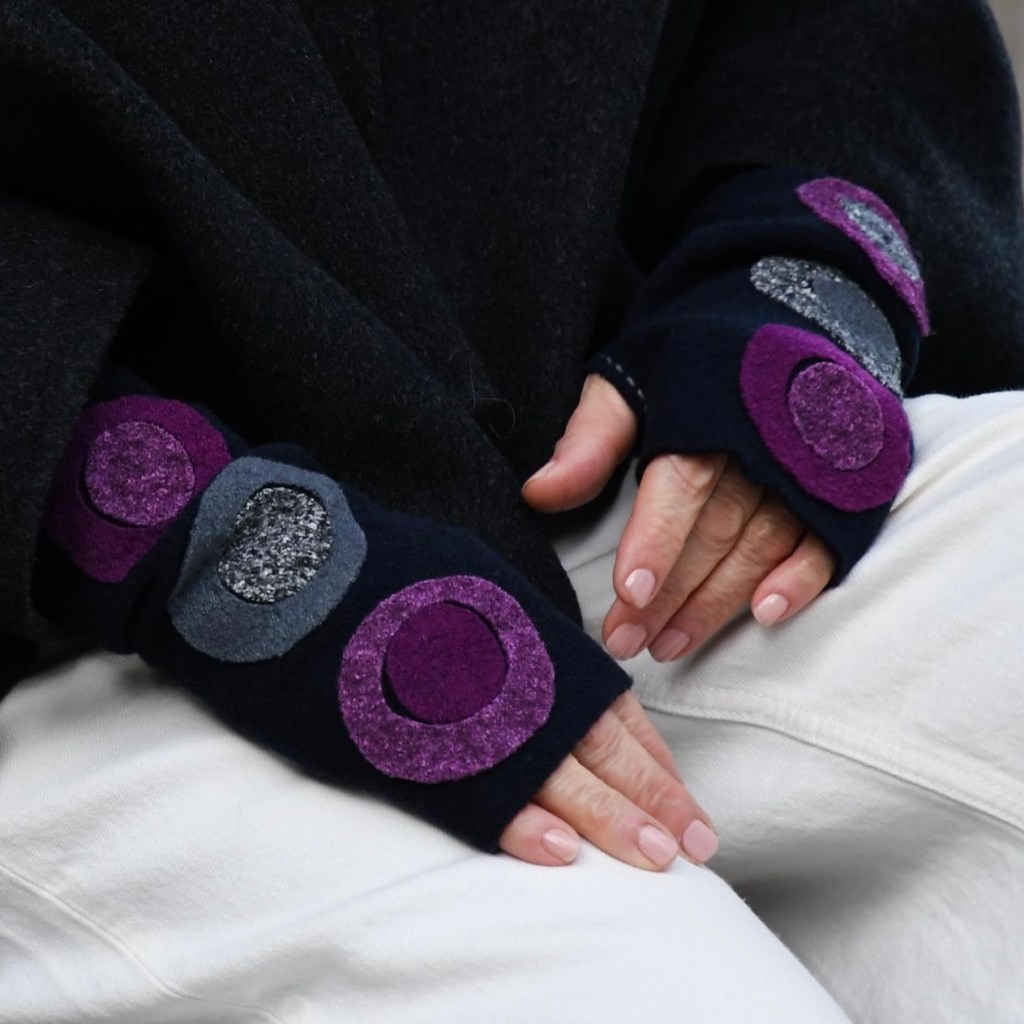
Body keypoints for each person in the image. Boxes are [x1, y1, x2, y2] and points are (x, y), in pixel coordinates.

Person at [1, 0, 1023, 1019]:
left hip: (591, 445)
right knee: (656, 991)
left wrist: (788, 286)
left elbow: (836, 44)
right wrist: (196, 537)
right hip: (70, 627)